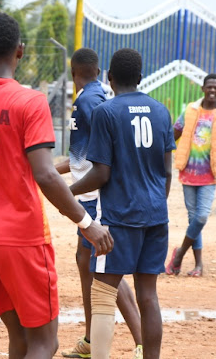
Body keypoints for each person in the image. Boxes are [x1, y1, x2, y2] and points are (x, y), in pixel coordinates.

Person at [0, 12, 113, 358]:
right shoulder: (30, 102)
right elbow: (44, 173)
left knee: (19, 339)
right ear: (21, 51)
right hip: (23, 238)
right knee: (45, 342)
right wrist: (87, 224)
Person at [69, 48, 175, 359]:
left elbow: (102, 172)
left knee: (103, 291)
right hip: (156, 214)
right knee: (148, 296)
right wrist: (153, 203)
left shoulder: (107, 111)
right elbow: (167, 172)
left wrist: (68, 191)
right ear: (141, 78)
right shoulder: (161, 111)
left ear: (109, 78)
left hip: (120, 214)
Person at [55, 48, 143, 359]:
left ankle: (142, 341)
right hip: (90, 195)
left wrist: (65, 187)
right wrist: (47, 171)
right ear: (99, 71)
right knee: (86, 264)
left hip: (94, 198)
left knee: (104, 268)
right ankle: (92, 341)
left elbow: (105, 155)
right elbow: (84, 157)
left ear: (73, 70)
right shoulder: (93, 97)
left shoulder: (89, 102)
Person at [165, 73, 216, 277]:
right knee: (193, 219)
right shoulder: (190, 110)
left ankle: (178, 256)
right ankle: (198, 265)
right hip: (188, 173)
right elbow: (174, 133)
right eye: (209, 87)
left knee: (201, 217)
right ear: (203, 89)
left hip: (209, 175)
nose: (213, 91)